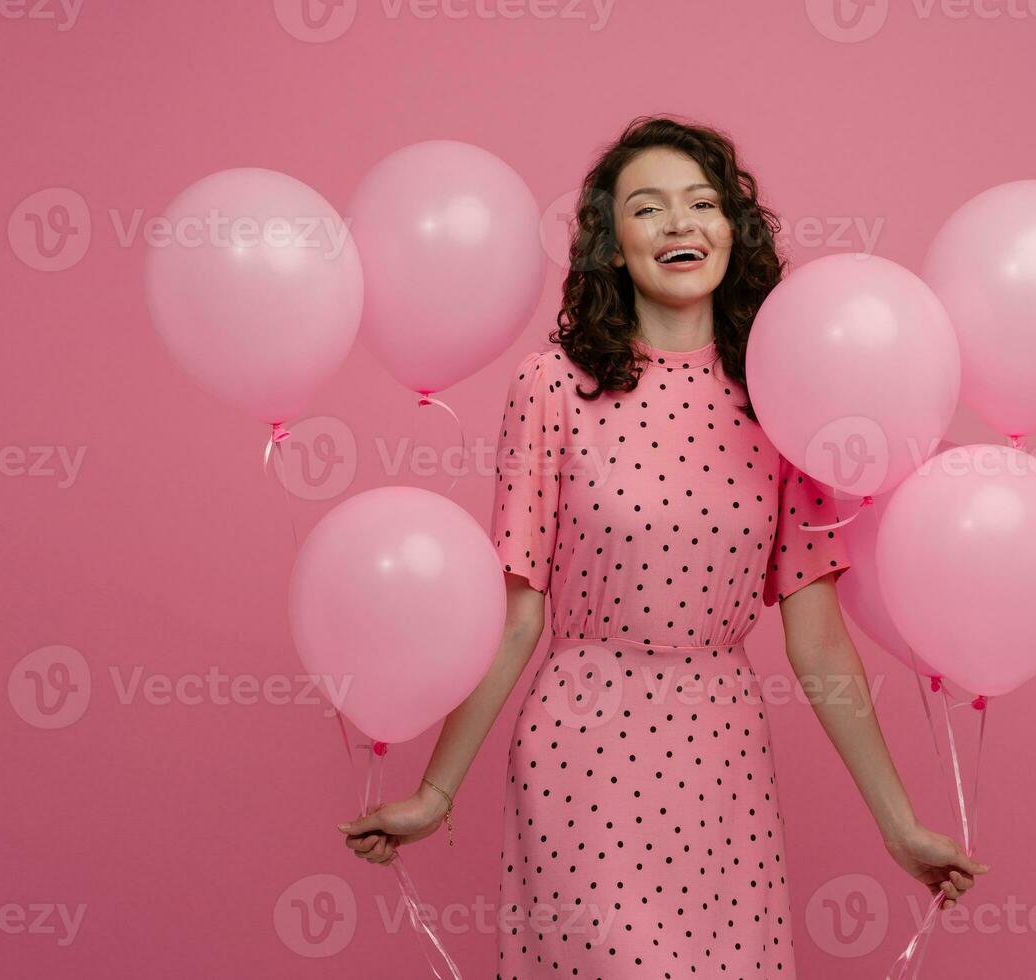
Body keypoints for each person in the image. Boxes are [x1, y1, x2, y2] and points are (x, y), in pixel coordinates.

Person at [338, 114, 988, 978]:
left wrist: (898, 824)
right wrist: (433, 793)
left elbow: (818, 636)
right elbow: (518, 615)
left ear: (732, 229)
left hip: (722, 756)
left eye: (702, 203)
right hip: (581, 748)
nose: (680, 224)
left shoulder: (783, 393)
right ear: (612, 246)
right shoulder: (552, 386)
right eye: (648, 209)